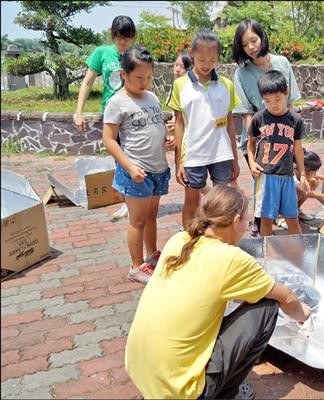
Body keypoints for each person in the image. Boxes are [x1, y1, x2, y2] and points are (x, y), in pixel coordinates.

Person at [125, 185, 311, 399]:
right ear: (235, 221)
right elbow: (286, 297)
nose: (245, 228)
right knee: (267, 307)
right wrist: (303, 315)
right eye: (247, 222)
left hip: (142, 371)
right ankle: (225, 394)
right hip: (180, 391)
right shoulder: (231, 258)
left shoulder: (180, 239)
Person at [102, 45, 170, 284]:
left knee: (152, 216)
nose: (144, 82)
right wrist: (130, 168)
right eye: (139, 77)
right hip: (136, 171)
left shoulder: (151, 97)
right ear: (124, 74)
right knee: (137, 220)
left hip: (158, 168)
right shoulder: (117, 103)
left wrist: (167, 138)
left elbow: (156, 127)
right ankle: (135, 265)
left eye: (148, 77)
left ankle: (152, 255)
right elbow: (108, 140)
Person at [232, 19, 302, 237]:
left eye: (254, 40)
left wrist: (288, 135)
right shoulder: (241, 74)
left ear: (262, 37)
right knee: (263, 186)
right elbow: (247, 113)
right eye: (245, 44)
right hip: (259, 137)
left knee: (285, 181)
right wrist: (258, 142)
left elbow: (289, 104)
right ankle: (261, 221)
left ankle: (286, 215)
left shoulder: (282, 62)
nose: (251, 47)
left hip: (284, 136)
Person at [167, 29, 241, 230]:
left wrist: (234, 158)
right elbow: (179, 124)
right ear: (192, 53)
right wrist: (178, 162)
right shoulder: (180, 85)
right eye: (202, 59)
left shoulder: (226, 84)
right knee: (192, 201)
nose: (207, 64)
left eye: (213, 59)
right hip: (194, 154)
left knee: (223, 201)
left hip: (221, 153)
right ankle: (188, 242)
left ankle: (220, 241)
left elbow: (230, 124)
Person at [75, 16, 137, 220]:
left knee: (133, 157)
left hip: (132, 113)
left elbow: (145, 82)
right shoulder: (102, 53)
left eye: (128, 38)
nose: (124, 42)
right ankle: (128, 201)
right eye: (120, 38)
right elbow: (87, 83)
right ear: (113, 35)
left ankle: (133, 201)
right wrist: (79, 112)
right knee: (120, 159)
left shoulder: (135, 55)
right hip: (111, 115)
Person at [247, 70, 309, 237]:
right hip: (266, 177)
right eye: (267, 101)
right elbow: (250, 143)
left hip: (287, 176)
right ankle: (269, 254)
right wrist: (252, 163)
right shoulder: (259, 118)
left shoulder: (295, 120)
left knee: (293, 218)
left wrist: (302, 173)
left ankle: (299, 254)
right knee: (266, 220)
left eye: (278, 99)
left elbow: (297, 148)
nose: (273, 104)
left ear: (286, 92)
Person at [165, 51, 194, 135]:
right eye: (176, 65)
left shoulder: (188, 88)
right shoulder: (176, 84)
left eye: (182, 67)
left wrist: (176, 120)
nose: (177, 70)